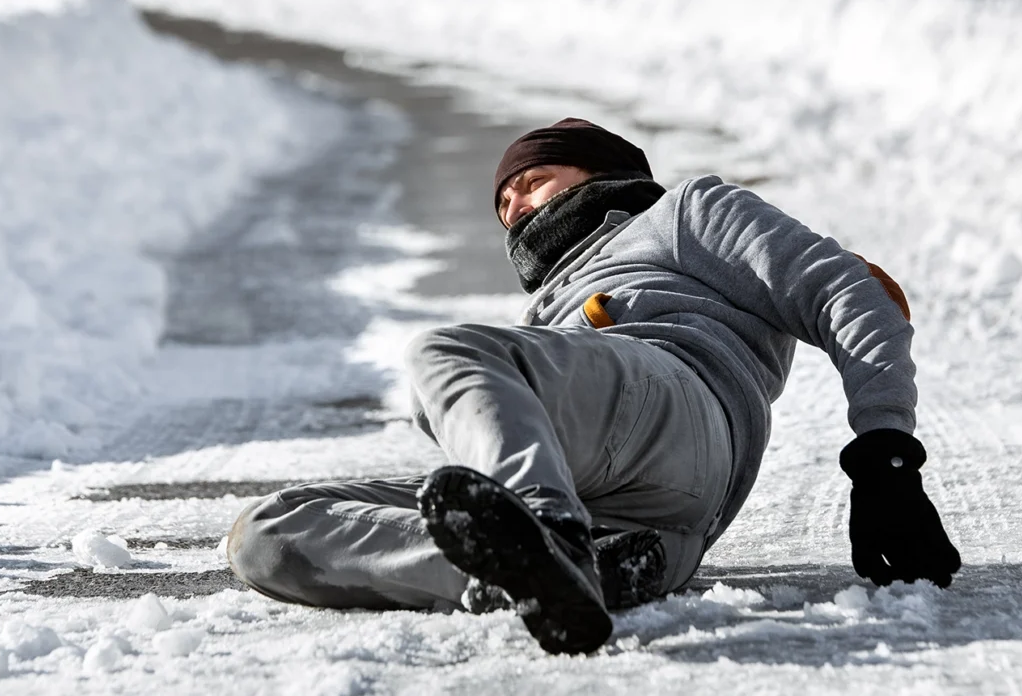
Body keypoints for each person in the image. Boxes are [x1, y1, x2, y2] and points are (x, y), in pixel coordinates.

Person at [225, 118, 961, 655]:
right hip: (652, 521)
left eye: (530, 180)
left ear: (599, 171)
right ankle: (541, 572)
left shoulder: (684, 215)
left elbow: (851, 291)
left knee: (445, 353)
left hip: (681, 405)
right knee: (267, 532)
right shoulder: (543, 309)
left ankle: (546, 531)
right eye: (502, 204)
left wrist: (885, 455)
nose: (512, 206)